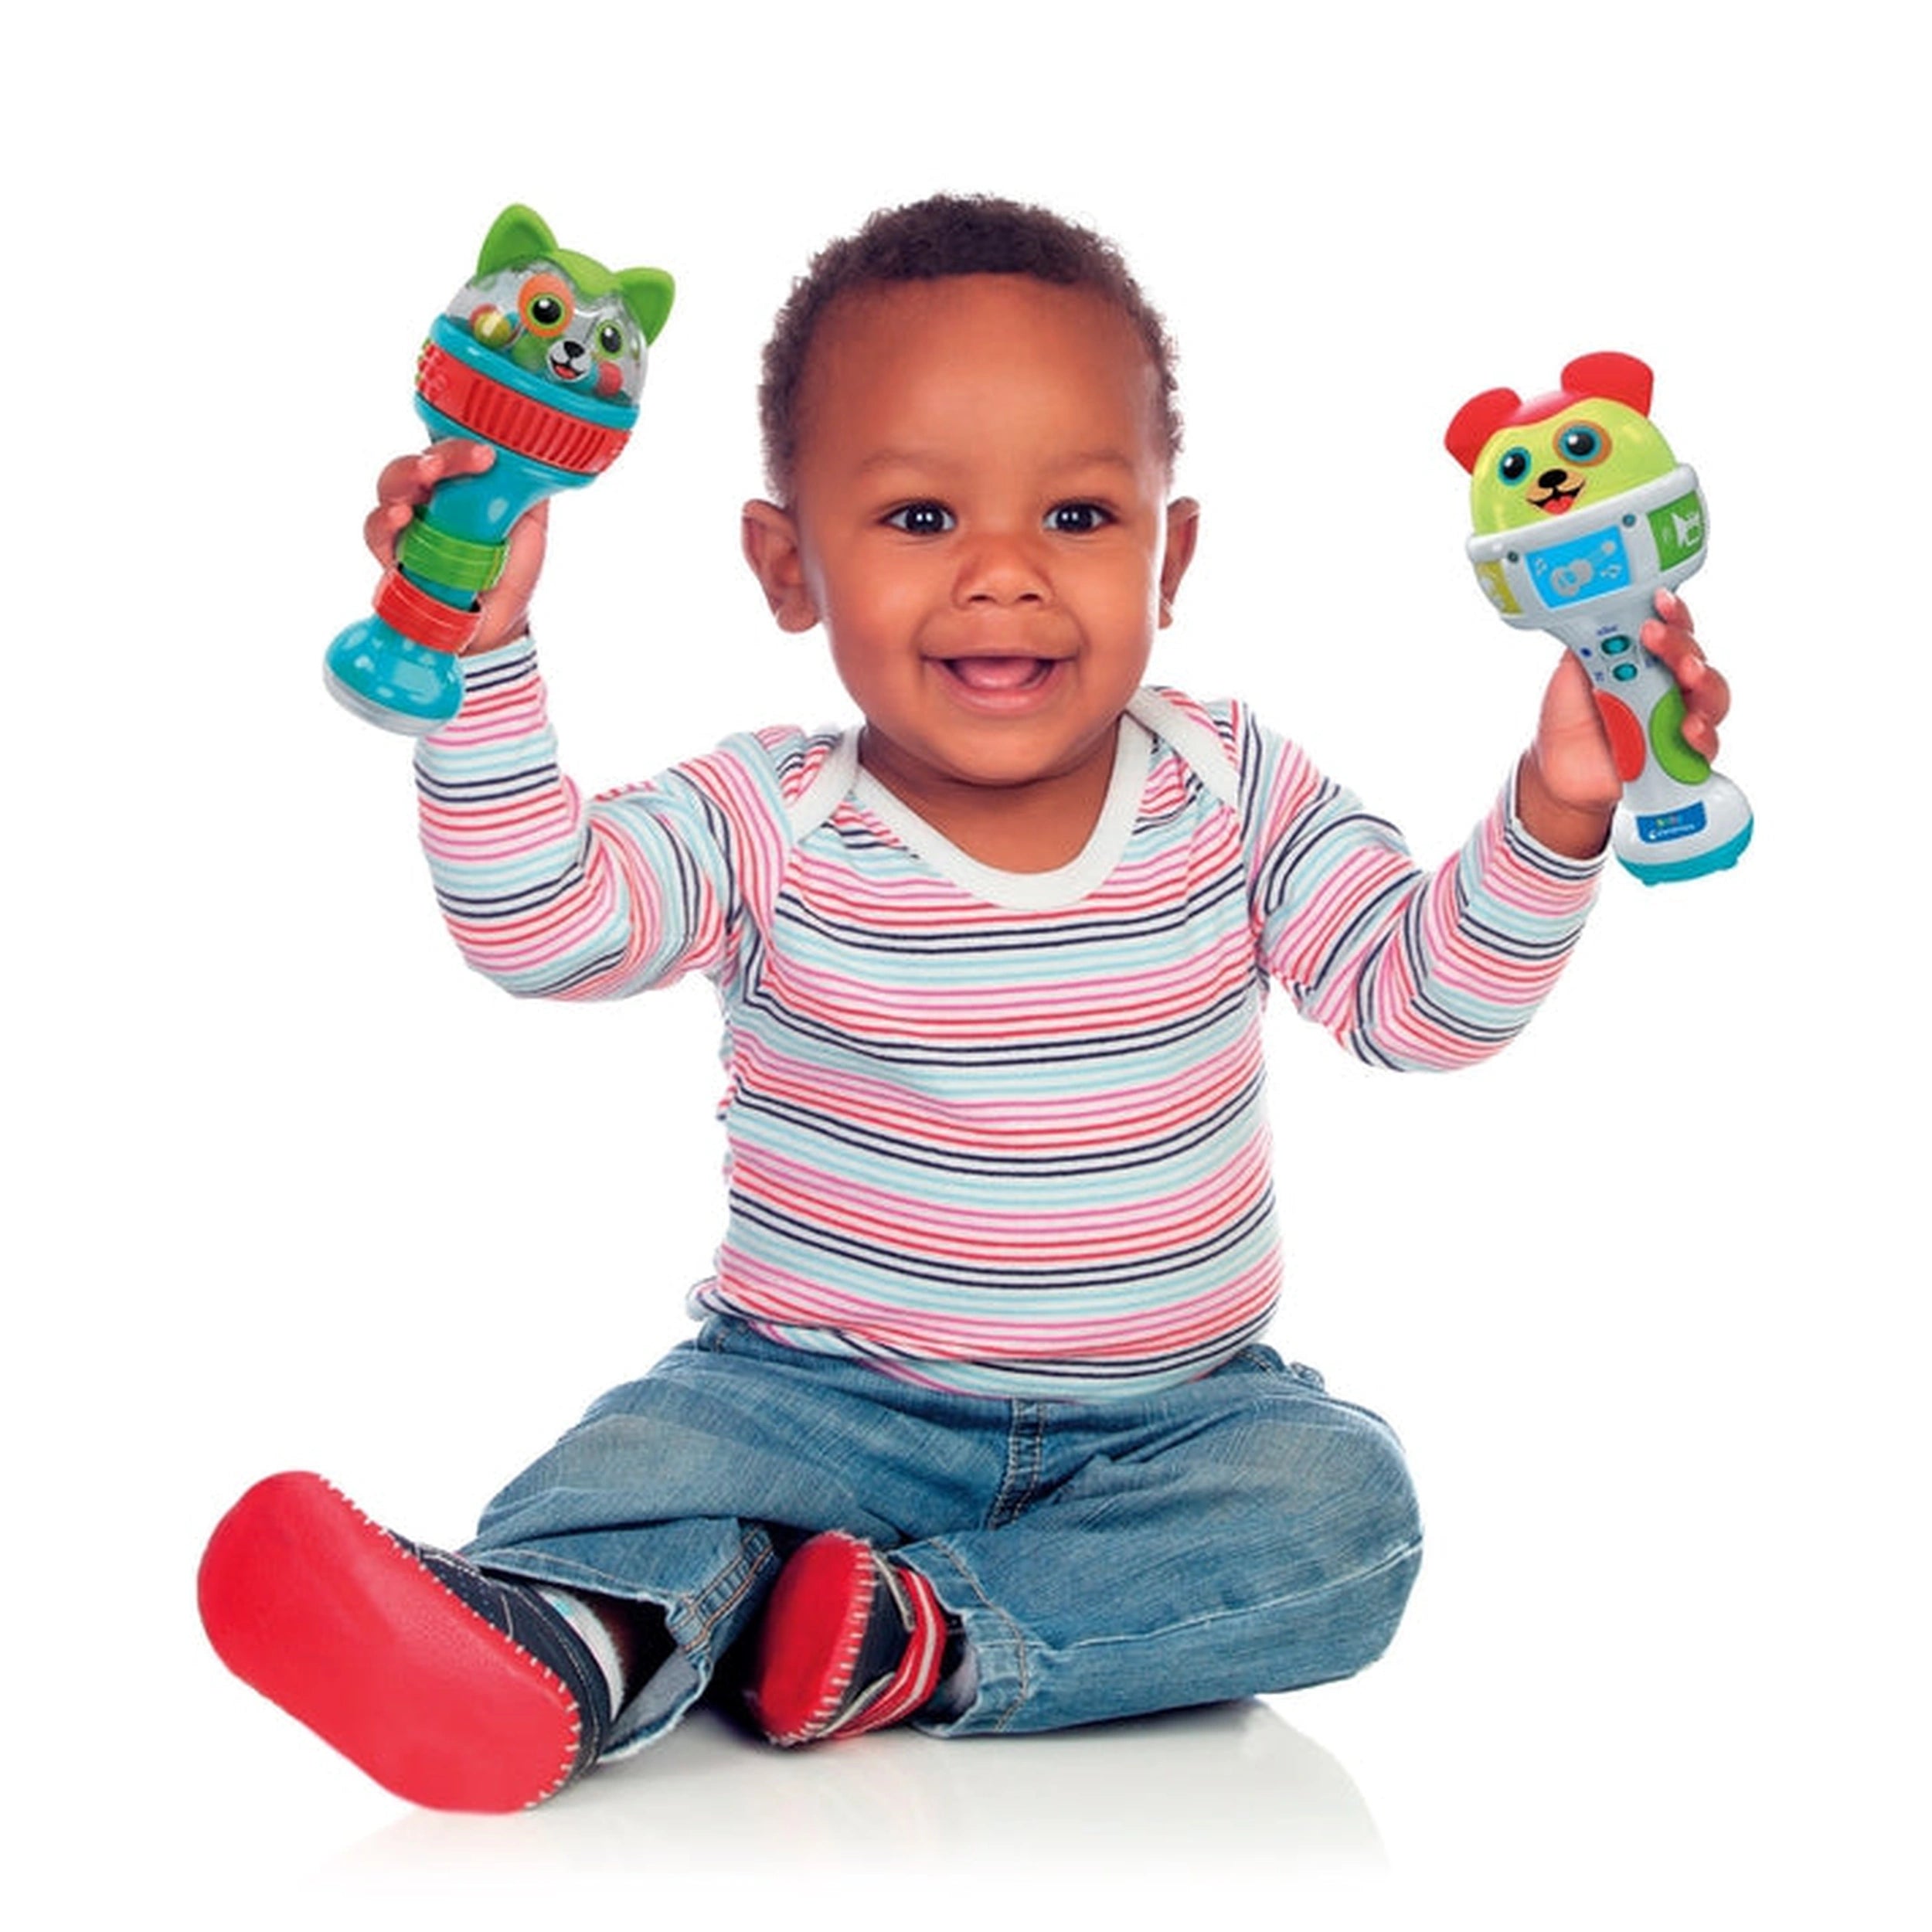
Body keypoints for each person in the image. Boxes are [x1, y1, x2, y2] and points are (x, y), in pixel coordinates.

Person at [199, 194, 1731, 1813]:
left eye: (1076, 515)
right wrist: (484, 655)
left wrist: (1558, 810)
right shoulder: (770, 816)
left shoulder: (1235, 787)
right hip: (809, 1399)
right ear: (787, 567)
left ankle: (907, 1635)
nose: (1003, 574)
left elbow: (1422, 1005)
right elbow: (543, 927)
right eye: (921, 517)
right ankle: (560, 1634)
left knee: (1342, 1509)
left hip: (1172, 1424)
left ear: (1169, 556)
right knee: (650, 1468)